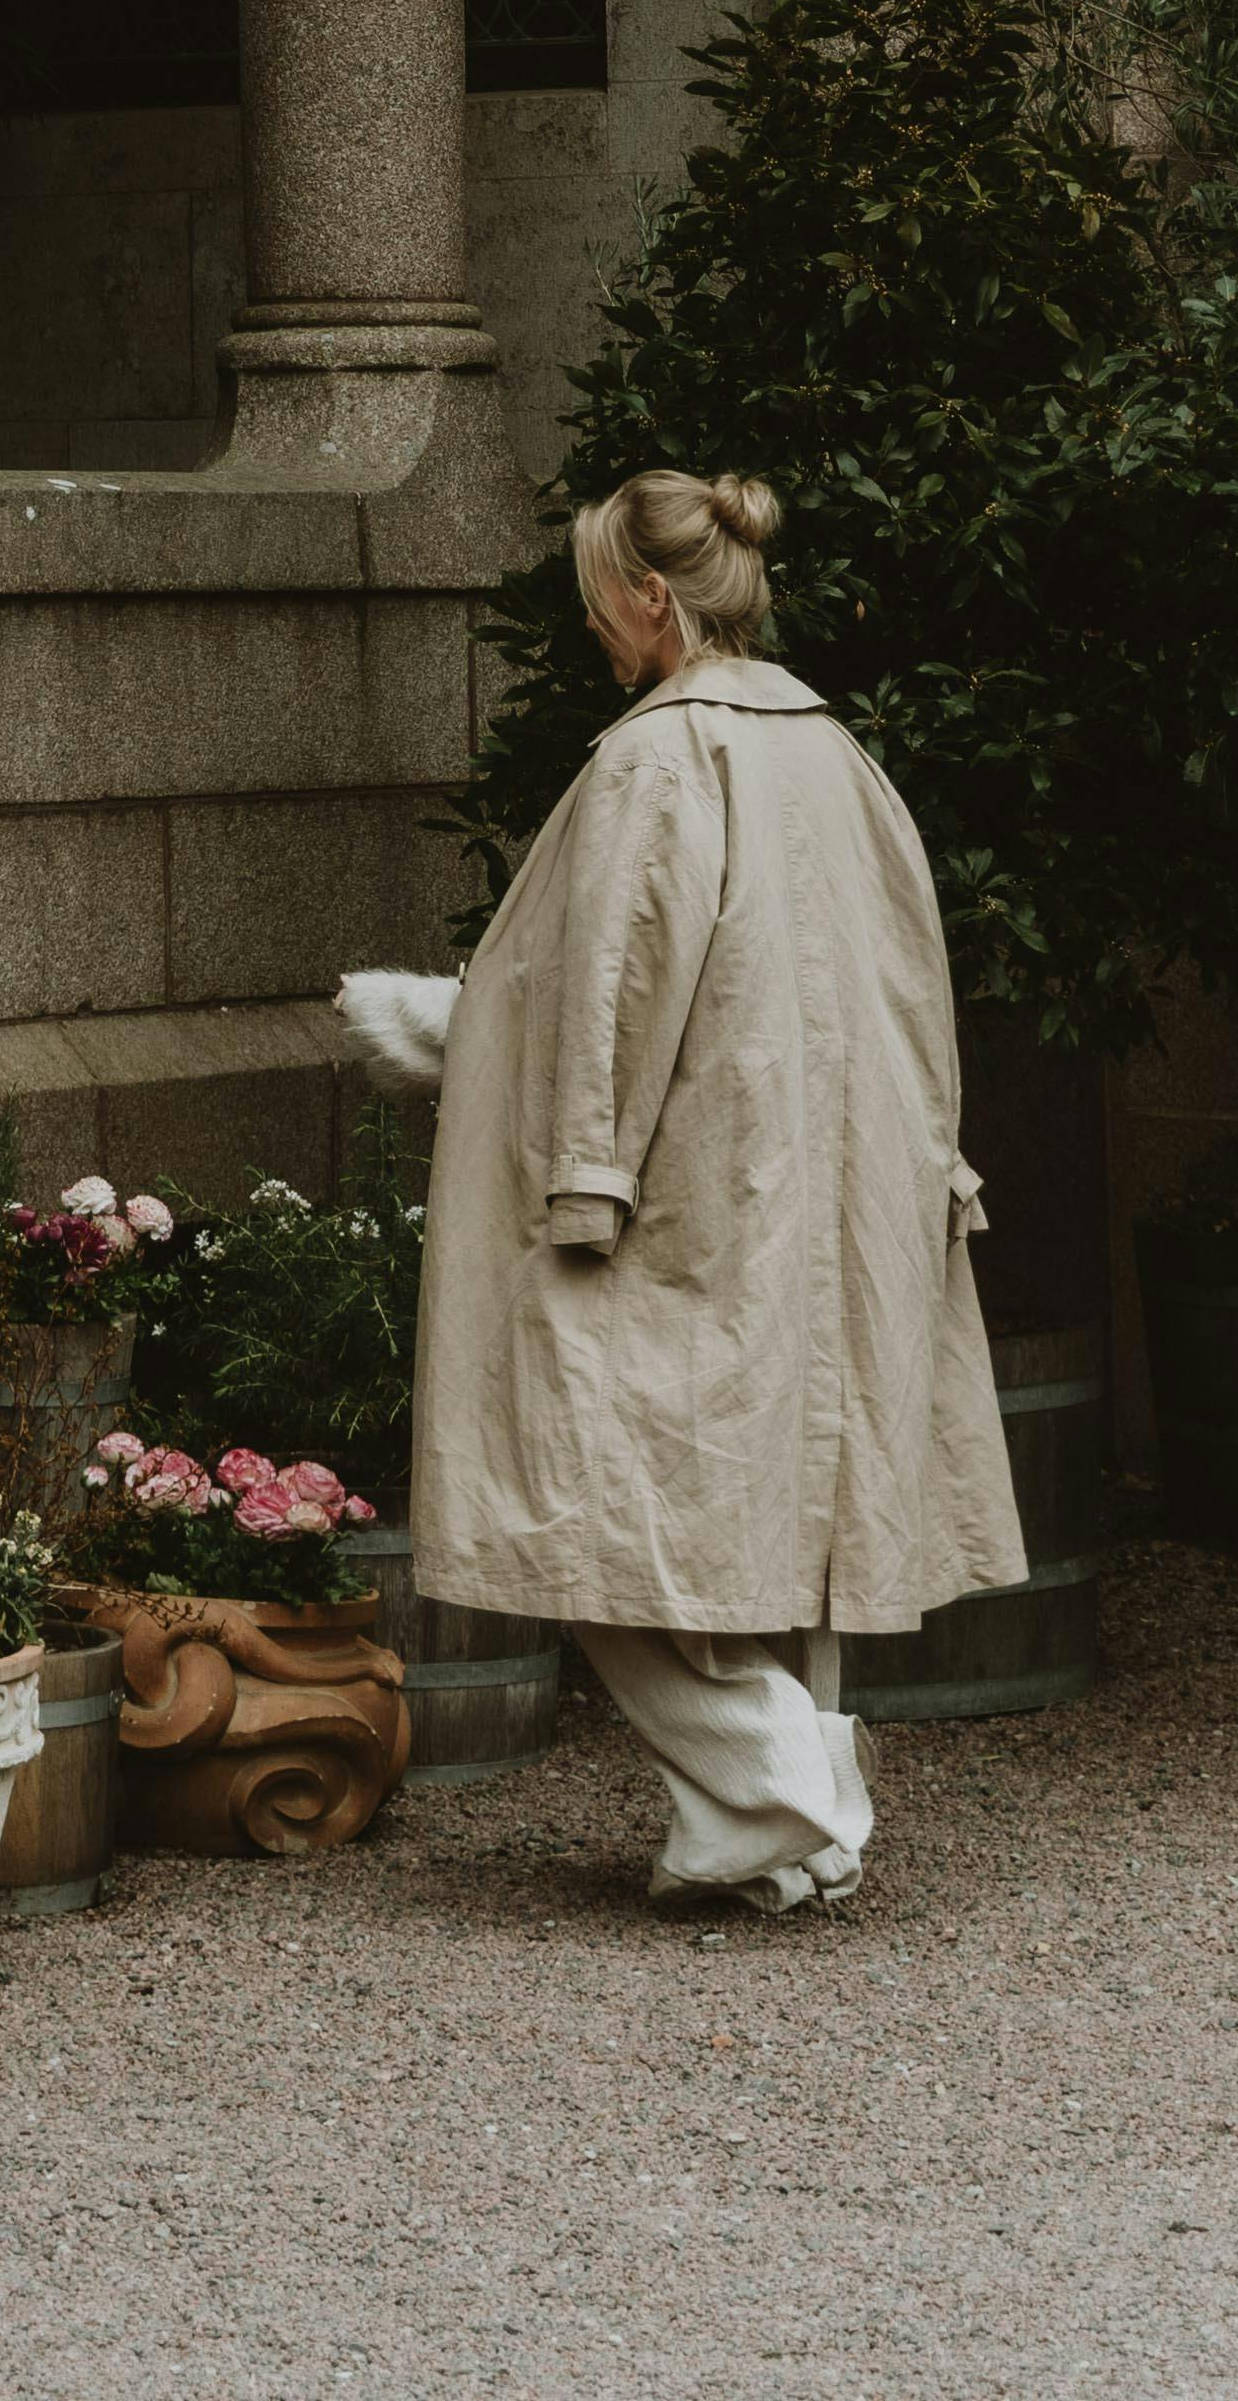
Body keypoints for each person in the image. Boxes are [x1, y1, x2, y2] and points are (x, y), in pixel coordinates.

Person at [345, 462, 1022, 1913]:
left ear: (652, 597)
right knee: (778, 1512)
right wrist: (934, 1161)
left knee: (592, 1492)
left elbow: (613, 982)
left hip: (693, 1187)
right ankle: (775, 1829)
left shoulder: (660, 760)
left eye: (599, 598)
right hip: (824, 1180)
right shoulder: (837, 755)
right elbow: (913, 981)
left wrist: (581, 1168)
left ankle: (787, 1791)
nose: (594, 627)